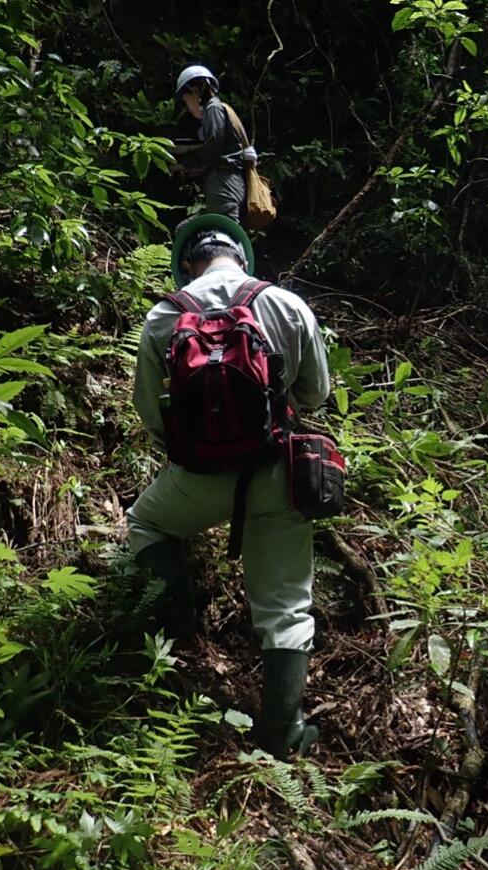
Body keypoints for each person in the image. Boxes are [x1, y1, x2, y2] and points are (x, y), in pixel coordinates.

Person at [127, 213, 330, 758]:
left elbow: (151, 416)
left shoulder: (162, 317)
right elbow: (314, 397)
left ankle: (179, 628)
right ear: (241, 256)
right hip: (277, 472)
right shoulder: (285, 304)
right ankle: (281, 734)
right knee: (286, 607)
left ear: (187, 262)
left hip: (199, 479)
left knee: (144, 522)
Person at [171, 65, 258, 223]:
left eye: (186, 100)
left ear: (195, 91)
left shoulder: (213, 109)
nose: (187, 107)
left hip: (224, 182)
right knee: (185, 230)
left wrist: (183, 163)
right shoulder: (218, 109)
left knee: (225, 233)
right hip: (224, 182)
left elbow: (213, 148)